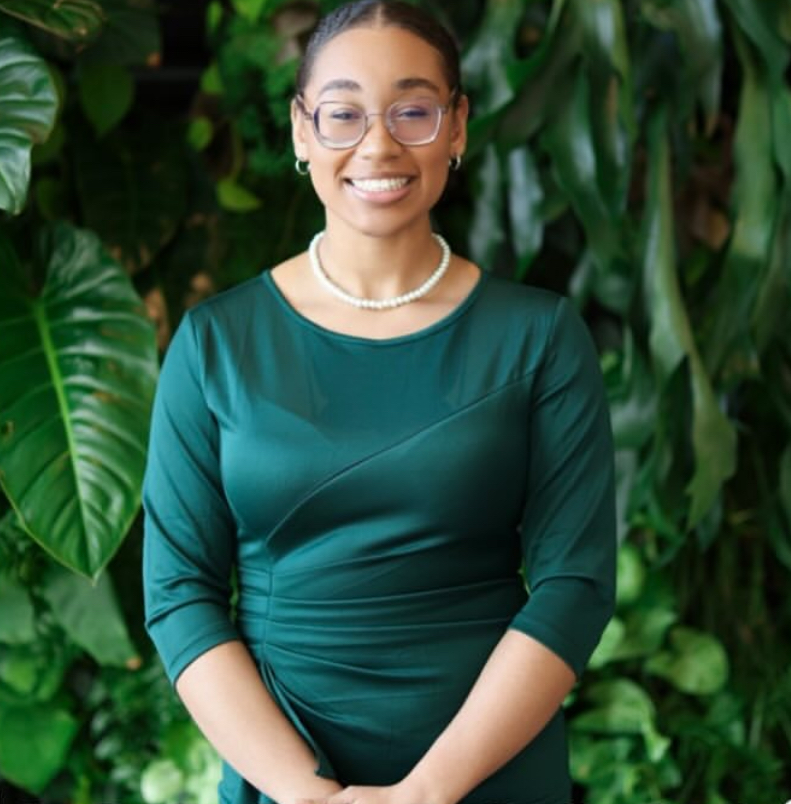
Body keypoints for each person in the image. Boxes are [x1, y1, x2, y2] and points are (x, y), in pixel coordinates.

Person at [142, 2, 617, 804]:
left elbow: (575, 584)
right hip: (283, 764)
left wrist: (427, 793)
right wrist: (308, 795)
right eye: (342, 114)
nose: (378, 143)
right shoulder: (214, 341)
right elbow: (179, 591)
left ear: (458, 125)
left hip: (486, 763)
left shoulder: (538, 337)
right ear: (301, 130)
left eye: (413, 110)